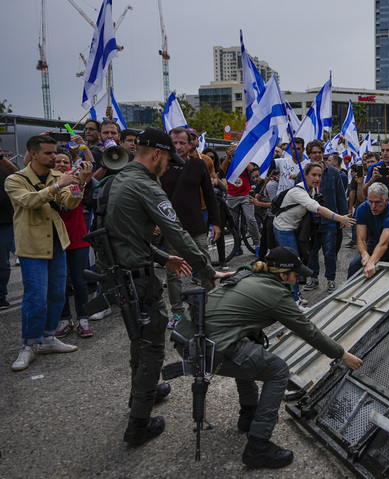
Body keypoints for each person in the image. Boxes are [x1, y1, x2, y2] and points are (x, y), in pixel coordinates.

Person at [95, 128, 230, 446]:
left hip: (121, 270)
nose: (168, 167)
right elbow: (178, 233)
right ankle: (138, 423)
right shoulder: (144, 184)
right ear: (156, 154)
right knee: (152, 344)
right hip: (137, 278)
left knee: (138, 336)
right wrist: (208, 272)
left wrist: (160, 256)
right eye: (168, 159)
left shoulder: (117, 179)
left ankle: (142, 392)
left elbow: (120, 233)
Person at [173, 246, 362, 469]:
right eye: (296, 275)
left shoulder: (248, 274)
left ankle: (249, 415)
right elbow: (308, 331)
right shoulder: (276, 294)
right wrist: (342, 354)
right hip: (208, 348)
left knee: (249, 348)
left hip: (185, 337)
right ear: (283, 275)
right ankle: (258, 446)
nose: (297, 279)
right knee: (278, 370)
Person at [5, 135, 94, 371]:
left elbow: (70, 203)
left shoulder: (58, 176)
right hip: (32, 245)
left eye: (54, 153)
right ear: (33, 154)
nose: (54, 157)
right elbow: (30, 201)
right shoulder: (16, 179)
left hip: (57, 243)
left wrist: (81, 183)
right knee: (35, 297)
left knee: (57, 293)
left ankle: (47, 338)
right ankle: (28, 345)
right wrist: (57, 185)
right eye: (48, 153)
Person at [162, 127, 220, 329]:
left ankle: (210, 306)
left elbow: (210, 196)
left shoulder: (198, 165)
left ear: (191, 144)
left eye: (182, 143)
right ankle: (177, 312)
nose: (178, 146)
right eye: (174, 143)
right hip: (170, 229)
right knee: (173, 273)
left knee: (205, 267)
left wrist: (216, 222)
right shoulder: (161, 164)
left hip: (197, 227)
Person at [273, 162, 355, 304]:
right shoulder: (299, 191)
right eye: (313, 175)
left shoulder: (313, 191)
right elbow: (318, 208)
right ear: (305, 175)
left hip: (295, 228)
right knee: (293, 262)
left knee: (295, 261)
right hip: (283, 228)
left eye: (319, 175)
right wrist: (339, 217)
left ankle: (293, 294)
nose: (317, 178)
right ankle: (295, 299)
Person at [52, 150, 95, 339]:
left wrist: (82, 179)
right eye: (57, 161)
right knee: (60, 282)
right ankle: (65, 319)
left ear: (71, 164)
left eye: (65, 161)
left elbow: (91, 170)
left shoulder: (78, 180)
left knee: (79, 281)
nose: (61, 164)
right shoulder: (47, 183)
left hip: (77, 236)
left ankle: (83, 319)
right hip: (55, 239)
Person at [303, 141, 349, 293]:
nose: (317, 155)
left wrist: (343, 216)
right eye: (314, 152)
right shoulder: (303, 173)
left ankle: (331, 280)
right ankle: (313, 278)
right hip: (310, 221)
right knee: (312, 252)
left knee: (330, 252)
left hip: (330, 220)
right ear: (308, 154)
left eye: (319, 152)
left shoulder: (334, 172)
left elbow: (340, 196)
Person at [348, 182, 389, 278]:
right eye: (371, 201)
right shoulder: (363, 208)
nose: (373, 206)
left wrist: (371, 262)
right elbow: (361, 239)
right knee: (354, 265)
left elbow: (383, 244)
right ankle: (349, 291)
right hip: (374, 240)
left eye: (377, 202)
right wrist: (365, 256)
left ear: (386, 200)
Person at [0, 145, 18, 309]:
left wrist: (0, 157)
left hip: (4, 221)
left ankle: (0, 296)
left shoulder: (4, 165)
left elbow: (17, 174)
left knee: (2, 261)